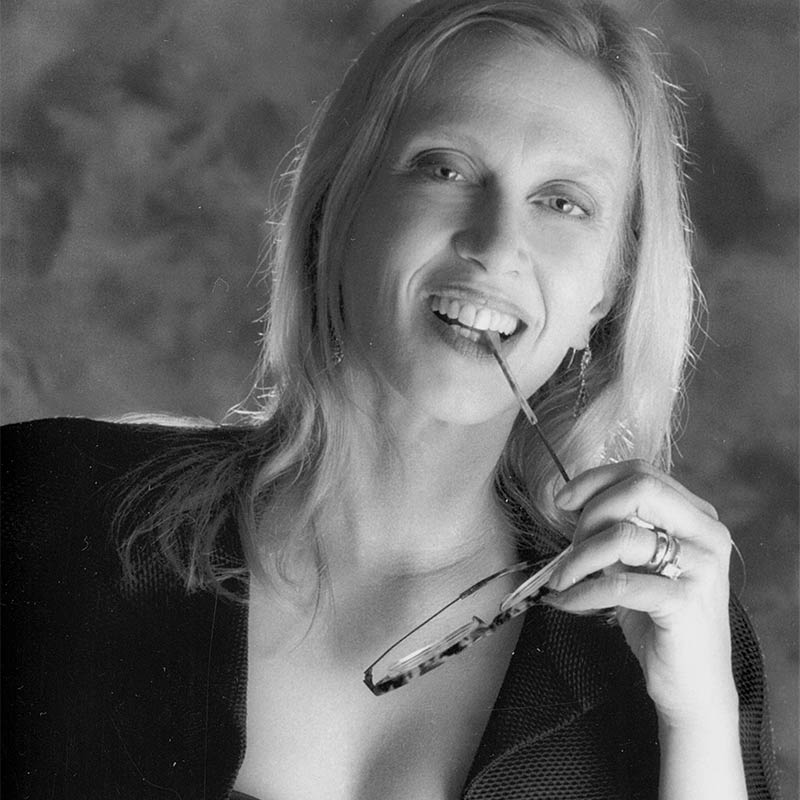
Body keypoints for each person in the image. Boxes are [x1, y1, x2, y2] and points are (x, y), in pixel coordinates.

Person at [1, 0, 780, 798]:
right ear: (343, 203)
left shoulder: (671, 629)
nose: (495, 244)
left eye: (562, 202)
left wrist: (698, 719)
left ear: (609, 291)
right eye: (445, 168)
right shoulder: (46, 504)